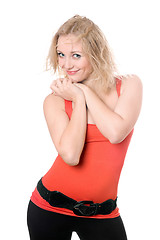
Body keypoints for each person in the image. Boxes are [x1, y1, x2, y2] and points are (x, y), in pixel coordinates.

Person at [27, 15, 143, 240]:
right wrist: (78, 101)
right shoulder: (55, 100)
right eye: (61, 54)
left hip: (103, 214)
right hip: (49, 207)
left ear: (97, 53)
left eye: (76, 56)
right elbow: (70, 155)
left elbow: (116, 133)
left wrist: (84, 91)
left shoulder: (129, 85)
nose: (66, 64)